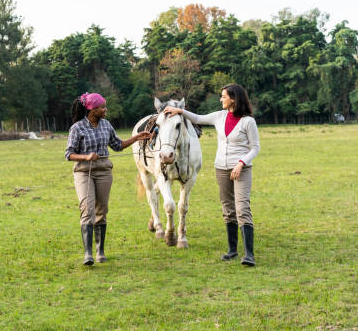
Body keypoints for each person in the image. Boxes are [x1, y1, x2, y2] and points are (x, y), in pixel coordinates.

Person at [164, 84, 260, 266]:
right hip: (221, 169)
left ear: (234, 99)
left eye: (223, 96)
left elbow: (255, 148)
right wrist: (180, 111)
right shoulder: (220, 116)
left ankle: (249, 254)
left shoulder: (248, 122)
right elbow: (198, 118)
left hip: (241, 169)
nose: (221, 99)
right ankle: (232, 250)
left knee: (242, 209)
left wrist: (241, 163)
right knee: (228, 209)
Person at [65, 92, 151, 265]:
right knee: (87, 210)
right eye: (102, 107)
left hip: (104, 172)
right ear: (92, 109)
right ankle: (88, 254)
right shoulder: (77, 128)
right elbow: (69, 154)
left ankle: (100, 251)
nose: (105, 110)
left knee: (101, 211)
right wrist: (86, 157)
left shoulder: (106, 125)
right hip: (84, 172)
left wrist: (136, 138)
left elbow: (117, 145)